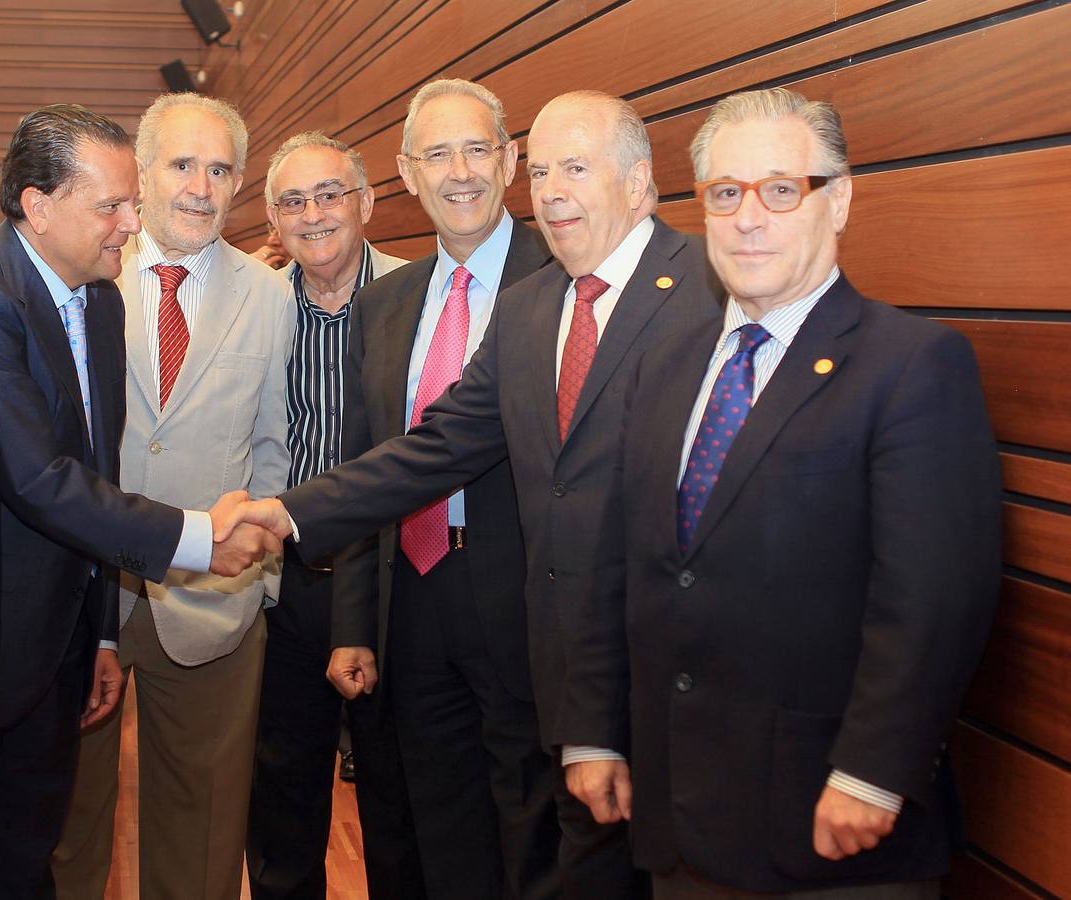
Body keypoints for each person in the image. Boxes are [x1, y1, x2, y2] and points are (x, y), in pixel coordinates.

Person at [220, 89, 724, 899]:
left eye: (576, 167)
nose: (555, 189)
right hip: (427, 607)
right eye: (549, 170)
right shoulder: (534, 308)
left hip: (604, 640)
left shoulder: (704, 287)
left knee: (566, 849)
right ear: (407, 176)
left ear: (637, 183)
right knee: (446, 835)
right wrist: (287, 512)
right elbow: (431, 447)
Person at [613, 87, 1001, 898]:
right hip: (679, 819)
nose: (748, 218)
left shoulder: (910, 365)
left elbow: (933, 595)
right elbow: (638, 565)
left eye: (780, 189)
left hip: (830, 829)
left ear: (840, 201)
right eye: (725, 193)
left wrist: (873, 772)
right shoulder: (666, 363)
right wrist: (598, 733)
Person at [0, 104, 277, 898]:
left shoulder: (96, 293)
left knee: (104, 845)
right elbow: (38, 478)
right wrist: (192, 540)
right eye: (113, 205)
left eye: (219, 170)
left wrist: (101, 628)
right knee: (28, 849)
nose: (133, 222)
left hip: (137, 618)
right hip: (24, 633)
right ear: (39, 203)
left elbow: (106, 456)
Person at [313, 78, 564, 900]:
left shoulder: (563, 282)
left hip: (527, 605)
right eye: (436, 153)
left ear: (510, 161)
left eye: (477, 148)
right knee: (435, 825)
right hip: (410, 603)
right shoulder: (381, 305)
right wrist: (353, 626)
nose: (459, 171)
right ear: (405, 172)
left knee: (536, 833)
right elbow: (363, 465)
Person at [51, 92, 294, 900]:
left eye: (220, 168)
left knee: (201, 842)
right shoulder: (83, 274)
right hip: (85, 604)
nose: (200, 186)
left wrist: (257, 578)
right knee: (68, 831)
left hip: (213, 603)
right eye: (182, 164)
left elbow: (272, 452)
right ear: (141, 174)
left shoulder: (269, 297)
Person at [245, 130, 425, 900]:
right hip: (282, 586)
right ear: (272, 217)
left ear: (367, 202)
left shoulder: (420, 299)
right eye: (292, 200)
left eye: (329, 195)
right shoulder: (249, 309)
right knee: (281, 794)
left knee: (392, 794)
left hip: (389, 583)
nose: (312, 214)